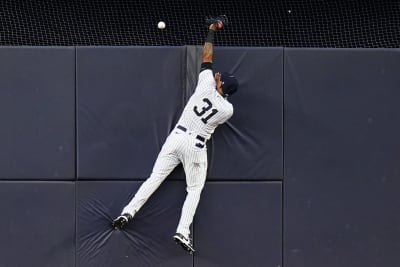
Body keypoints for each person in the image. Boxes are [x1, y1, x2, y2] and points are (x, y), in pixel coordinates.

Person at [112, 16, 238, 254]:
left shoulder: (205, 84)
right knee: (193, 191)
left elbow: (207, 57)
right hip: (196, 147)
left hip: (176, 138)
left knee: (153, 179)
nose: (218, 77)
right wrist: (221, 86)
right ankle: (182, 230)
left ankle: (128, 211)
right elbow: (220, 92)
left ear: (222, 86)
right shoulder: (228, 110)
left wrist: (212, 31)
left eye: (221, 79)